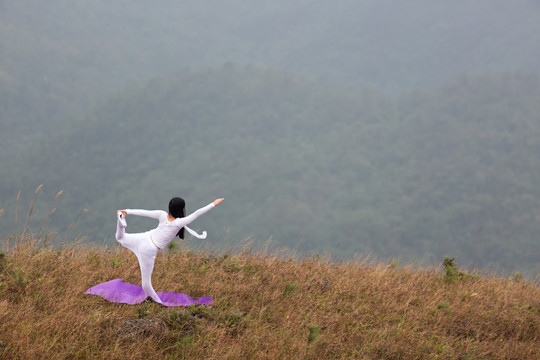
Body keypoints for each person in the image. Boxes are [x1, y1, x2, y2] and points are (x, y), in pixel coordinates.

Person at [115, 197, 224, 304]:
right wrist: (213, 204)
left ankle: (121, 221)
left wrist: (127, 211)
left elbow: (144, 212)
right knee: (146, 284)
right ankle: (159, 303)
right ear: (181, 210)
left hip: (145, 237)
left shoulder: (162, 214)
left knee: (120, 238)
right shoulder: (178, 223)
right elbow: (197, 213)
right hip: (149, 249)